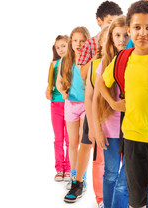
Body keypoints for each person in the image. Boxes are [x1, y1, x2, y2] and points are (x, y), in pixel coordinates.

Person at [98, 0, 148, 208]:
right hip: (132, 139)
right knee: (136, 199)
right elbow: (100, 83)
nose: (143, 33)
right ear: (129, 30)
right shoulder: (122, 58)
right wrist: (113, 103)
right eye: (137, 27)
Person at [64, 26, 109, 205]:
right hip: (84, 106)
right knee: (84, 143)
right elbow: (88, 88)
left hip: (110, 113)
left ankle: (107, 194)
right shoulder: (92, 58)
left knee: (110, 158)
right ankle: (78, 180)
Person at [93, 16, 129, 208]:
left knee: (126, 175)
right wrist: (97, 129)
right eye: (117, 35)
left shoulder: (135, 61)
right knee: (111, 172)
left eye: (125, 35)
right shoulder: (105, 63)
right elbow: (97, 98)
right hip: (111, 128)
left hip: (131, 128)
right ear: (111, 38)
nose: (122, 39)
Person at [56, 26, 91, 192]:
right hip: (70, 104)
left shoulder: (89, 60)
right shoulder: (65, 60)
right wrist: (62, 91)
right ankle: (74, 174)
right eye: (75, 41)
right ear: (71, 43)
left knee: (82, 141)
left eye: (82, 41)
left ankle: (81, 177)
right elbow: (59, 81)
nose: (78, 44)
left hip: (86, 105)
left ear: (87, 42)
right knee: (73, 143)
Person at [45, 35, 71, 182]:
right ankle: (59, 169)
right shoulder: (54, 64)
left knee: (70, 139)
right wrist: (47, 92)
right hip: (55, 104)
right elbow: (49, 84)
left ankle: (68, 169)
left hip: (70, 104)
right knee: (58, 139)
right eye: (58, 47)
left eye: (63, 46)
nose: (61, 49)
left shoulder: (71, 62)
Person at [78, 0, 123, 80]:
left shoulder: (123, 41)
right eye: (110, 23)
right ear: (99, 21)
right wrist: (98, 54)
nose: (112, 27)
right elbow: (83, 75)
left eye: (115, 24)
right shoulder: (90, 43)